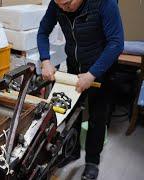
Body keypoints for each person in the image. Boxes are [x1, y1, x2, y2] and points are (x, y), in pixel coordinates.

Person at [37, 0, 124, 179]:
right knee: (72, 111)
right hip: (74, 66)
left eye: (67, 3)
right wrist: (45, 60)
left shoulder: (105, 3)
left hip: (101, 69)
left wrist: (92, 74)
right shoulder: (58, 4)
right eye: (59, 4)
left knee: (97, 118)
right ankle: (72, 151)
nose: (63, 8)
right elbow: (43, 31)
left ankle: (92, 162)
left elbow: (116, 43)